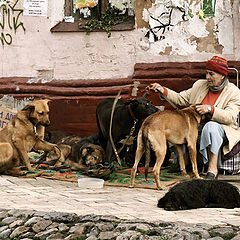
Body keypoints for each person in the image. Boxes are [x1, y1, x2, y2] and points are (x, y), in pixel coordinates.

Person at [147, 56, 240, 180]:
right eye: (206, 73)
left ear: (222, 75)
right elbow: (181, 98)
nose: (207, 77)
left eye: (211, 74)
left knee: (210, 127)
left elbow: (231, 117)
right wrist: (162, 90)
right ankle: (185, 165)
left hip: (221, 129)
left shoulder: (234, 92)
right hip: (197, 126)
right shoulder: (200, 85)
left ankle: (212, 169)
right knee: (180, 124)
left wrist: (210, 109)